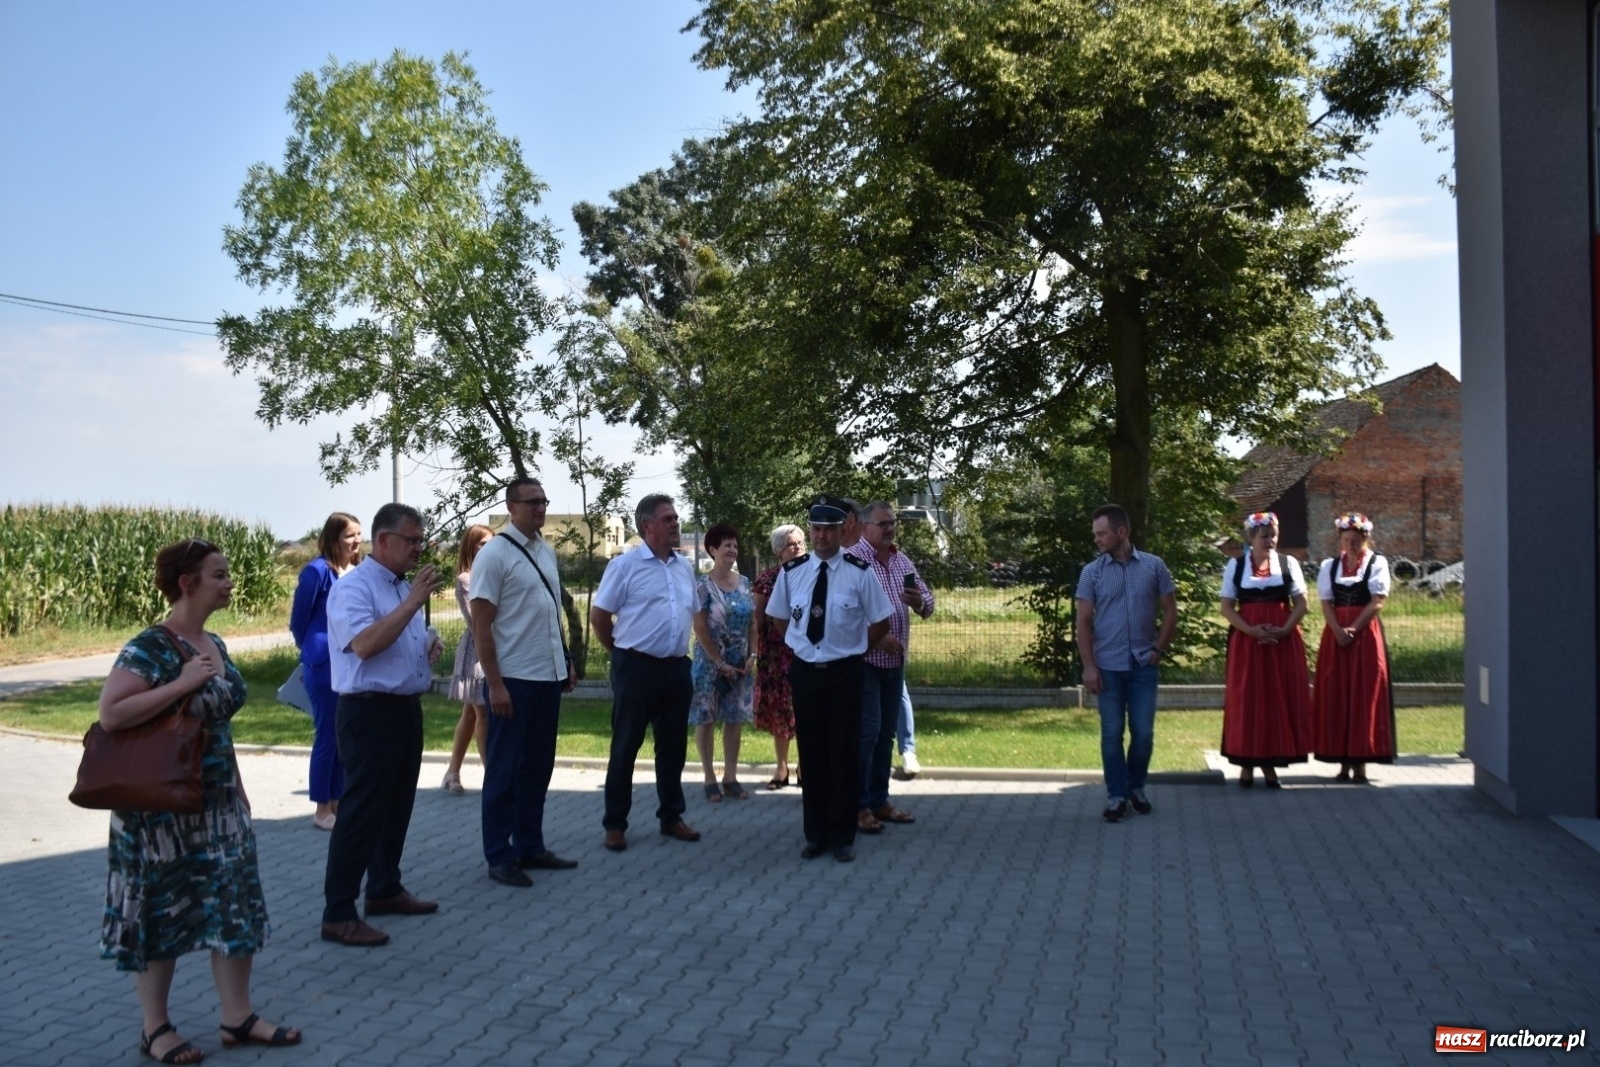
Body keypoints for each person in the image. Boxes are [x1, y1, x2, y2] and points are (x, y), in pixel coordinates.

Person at [98, 538, 300, 1064]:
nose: (230, 581)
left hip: (218, 803)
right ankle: (156, 1028)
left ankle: (238, 1017)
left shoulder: (215, 641)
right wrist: (180, 683)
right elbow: (113, 715)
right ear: (188, 584)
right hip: (159, 807)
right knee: (162, 912)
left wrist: (239, 788)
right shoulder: (151, 647)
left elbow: (219, 723)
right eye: (220, 574)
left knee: (233, 906)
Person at [320, 503, 444, 947]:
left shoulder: (399, 586)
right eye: (411, 540)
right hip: (368, 714)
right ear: (383, 540)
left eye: (421, 539)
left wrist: (426, 642)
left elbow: (397, 637)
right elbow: (366, 644)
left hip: (403, 710)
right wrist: (413, 604)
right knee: (361, 814)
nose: (419, 547)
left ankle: (384, 888)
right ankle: (338, 913)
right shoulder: (354, 589)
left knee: (397, 807)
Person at [765, 495, 893, 862]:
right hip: (806, 672)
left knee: (844, 753)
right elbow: (777, 618)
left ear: (842, 531)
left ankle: (842, 837)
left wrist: (856, 650)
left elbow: (880, 620)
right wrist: (802, 648)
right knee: (812, 753)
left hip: (845, 673)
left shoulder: (859, 572)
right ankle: (815, 834)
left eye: (828, 530)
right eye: (816, 529)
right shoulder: (793, 573)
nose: (821, 536)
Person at [470, 479, 580, 887]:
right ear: (511, 506)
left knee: (538, 768)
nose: (540, 508)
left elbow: (550, 614)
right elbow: (482, 626)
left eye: (544, 501)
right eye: (533, 502)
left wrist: (564, 661)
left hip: (546, 678)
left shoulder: (544, 551)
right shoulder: (495, 554)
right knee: (504, 771)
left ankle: (530, 845)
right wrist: (494, 684)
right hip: (512, 680)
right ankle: (499, 855)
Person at [591, 494, 701, 851]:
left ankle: (671, 817)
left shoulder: (684, 567)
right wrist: (623, 654)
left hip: (676, 668)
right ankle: (615, 824)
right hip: (636, 668)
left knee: (673, 748)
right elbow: (599, 617)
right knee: (625, 747)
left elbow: (691, 613)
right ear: (647, 526)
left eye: (676, 517)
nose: (675, 523)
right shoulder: (625, 566)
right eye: (668, 518)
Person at [1075, 503, 1178, 823]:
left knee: (1143, 733)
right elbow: (1082, 622)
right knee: (1112, 734)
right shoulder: (1092, 572)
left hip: (1143, 666)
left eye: (1102, 533)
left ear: (1122, 532)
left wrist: (1158, 650)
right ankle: (1116, 795)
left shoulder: (1154, 566)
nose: (1097, 539)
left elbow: (1171, 611)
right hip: (1108, 667)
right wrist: (1089, 666)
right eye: (1095, 534)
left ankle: (1136, 788)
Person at [849, 501, 934, 834]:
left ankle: (880, 800)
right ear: (865, 526)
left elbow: (927, 601)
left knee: (885, 735)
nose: (889, 529)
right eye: (883, 523)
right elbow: (845, 613)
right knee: (867, 735)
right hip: (865, 663)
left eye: (892, 523)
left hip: (895, 666)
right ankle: (859, 806)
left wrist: (920, 603)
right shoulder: (853, 560)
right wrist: (878, 636)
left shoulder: (902, 560)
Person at [1219, 512, 1312, 788]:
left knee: (1276, 700)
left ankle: (1272, 765)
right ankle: (1246, 765)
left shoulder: (1288, 564)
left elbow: (1302, 604)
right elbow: (1226, 607)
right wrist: (1251, 631)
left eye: (1273, 535)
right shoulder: (1235, 566)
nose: (1270, 540)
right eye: (1264, 536)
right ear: (1251, 537)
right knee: (1247, 701)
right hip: (1248, 644)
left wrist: (1283, 630)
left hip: (1281, 643)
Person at [1311, 513, 1396, 782]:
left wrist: (1354, 629)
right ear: (1340, 539)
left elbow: (1377, 602)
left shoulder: (1377, 563)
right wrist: (1337, 630)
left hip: (1364, 633)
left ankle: (1361, 762)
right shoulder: (1330, 566)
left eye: (1356, 540)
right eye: (1347, 540)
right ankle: (1342, 761)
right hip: (1336, 633)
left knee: (1363, 692)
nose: (1351, 544)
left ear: (1366, 539)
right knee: (1337, 693)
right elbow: (1326, 602)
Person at [289, 511, 361, 831]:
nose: (356, 541)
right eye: (349, 535)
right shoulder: (317, 572)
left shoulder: (356, 572)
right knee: (328, 737)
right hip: (323, 664)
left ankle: (339, 802)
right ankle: (322, 809)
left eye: (359, 534)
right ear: (333, 538)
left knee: (345, 735)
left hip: (351, 663)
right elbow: (299, 622)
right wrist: (313, 652)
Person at [690, 522, 759, 801]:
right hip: (710, 666)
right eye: (726, 545)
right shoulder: (702, 585)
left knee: (734, 720)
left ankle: (730, 777)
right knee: (706, 719)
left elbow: (753, 624)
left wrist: (753, 654)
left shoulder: (744, 583)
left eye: (734, 545)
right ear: (712, 550)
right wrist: (719, 662)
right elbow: (700, 628)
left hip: (741, 665)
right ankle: (709, 777)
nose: (732, 549)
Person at [752, 524, 805, 789]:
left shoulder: (814, 574)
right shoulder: (767, 579)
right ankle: (781, 768)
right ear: (778, 550)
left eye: (799, 542)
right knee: (781, 711)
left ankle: (805, 767)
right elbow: (758, 619)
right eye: (790, 544)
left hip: (807, 652)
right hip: (775, 655)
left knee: (806, 710)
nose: (797, 547)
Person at [441, 523, 493, 795]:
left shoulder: (496, 575)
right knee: (481, 711)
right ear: (470, 547)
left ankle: (452, 771)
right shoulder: (466, 580)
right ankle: (492, 774)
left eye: (491, 543)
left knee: (471, 714)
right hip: (477, 654)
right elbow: (477, 622)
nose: (488, 548)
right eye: (482, 543)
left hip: (497, 650)